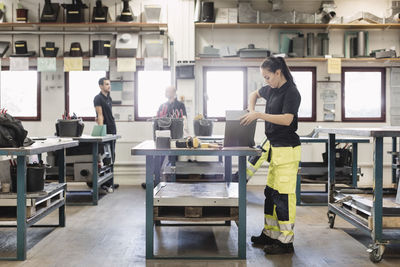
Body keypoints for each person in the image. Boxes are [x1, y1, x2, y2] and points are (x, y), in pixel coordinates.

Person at [240, 56, 301, 254]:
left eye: (267, 77)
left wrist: (259, 115)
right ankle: (271, 233)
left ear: (278, 72)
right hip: (275, 148)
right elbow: (253, 94)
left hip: (287, 149)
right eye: (264, 78)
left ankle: (285, 241)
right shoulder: (271, 89)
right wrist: (251, 110)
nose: (266, 82)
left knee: (283, 197)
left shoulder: (291, 92)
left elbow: (286, 119)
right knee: (271, 194)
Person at [141, 85, 187, 190]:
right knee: (158, 157)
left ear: (174, 92)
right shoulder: (162, 105)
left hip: (175, 136)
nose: (166, 93)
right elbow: (158, 119)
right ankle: (153, 180)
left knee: (174, 159)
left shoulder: (180, 105)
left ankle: (172, 181)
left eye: (168, 91)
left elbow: (183, 120)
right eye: (165, 91)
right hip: (163, 136)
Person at [94, 77, 119, 192]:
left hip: (112, 128)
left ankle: (110, 182)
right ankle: (103, 183)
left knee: (112, 155)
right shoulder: (98, 98)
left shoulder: (109, 98)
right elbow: (100, 115)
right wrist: (101, 131)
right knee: (104, 156)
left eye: (109, 84)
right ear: (100, 86)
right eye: (106, 84)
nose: (109, 86)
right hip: (105, 130)